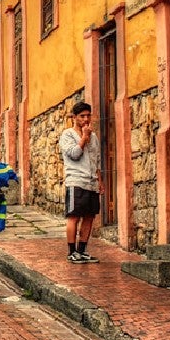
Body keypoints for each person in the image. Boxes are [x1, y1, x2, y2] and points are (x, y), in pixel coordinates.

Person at [60, 101, 102, 263]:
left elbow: (96, 160)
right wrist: (84, 137)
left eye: (88, 116)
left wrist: (100, 181)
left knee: (89, 216)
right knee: (74, 216)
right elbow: (74, 154)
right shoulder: (67, 135)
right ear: (74, 117)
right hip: (76, 180)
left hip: (92, 182)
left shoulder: (94, 137)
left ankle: (82, 250)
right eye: (82, 116)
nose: (86, 119)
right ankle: (72, 252)